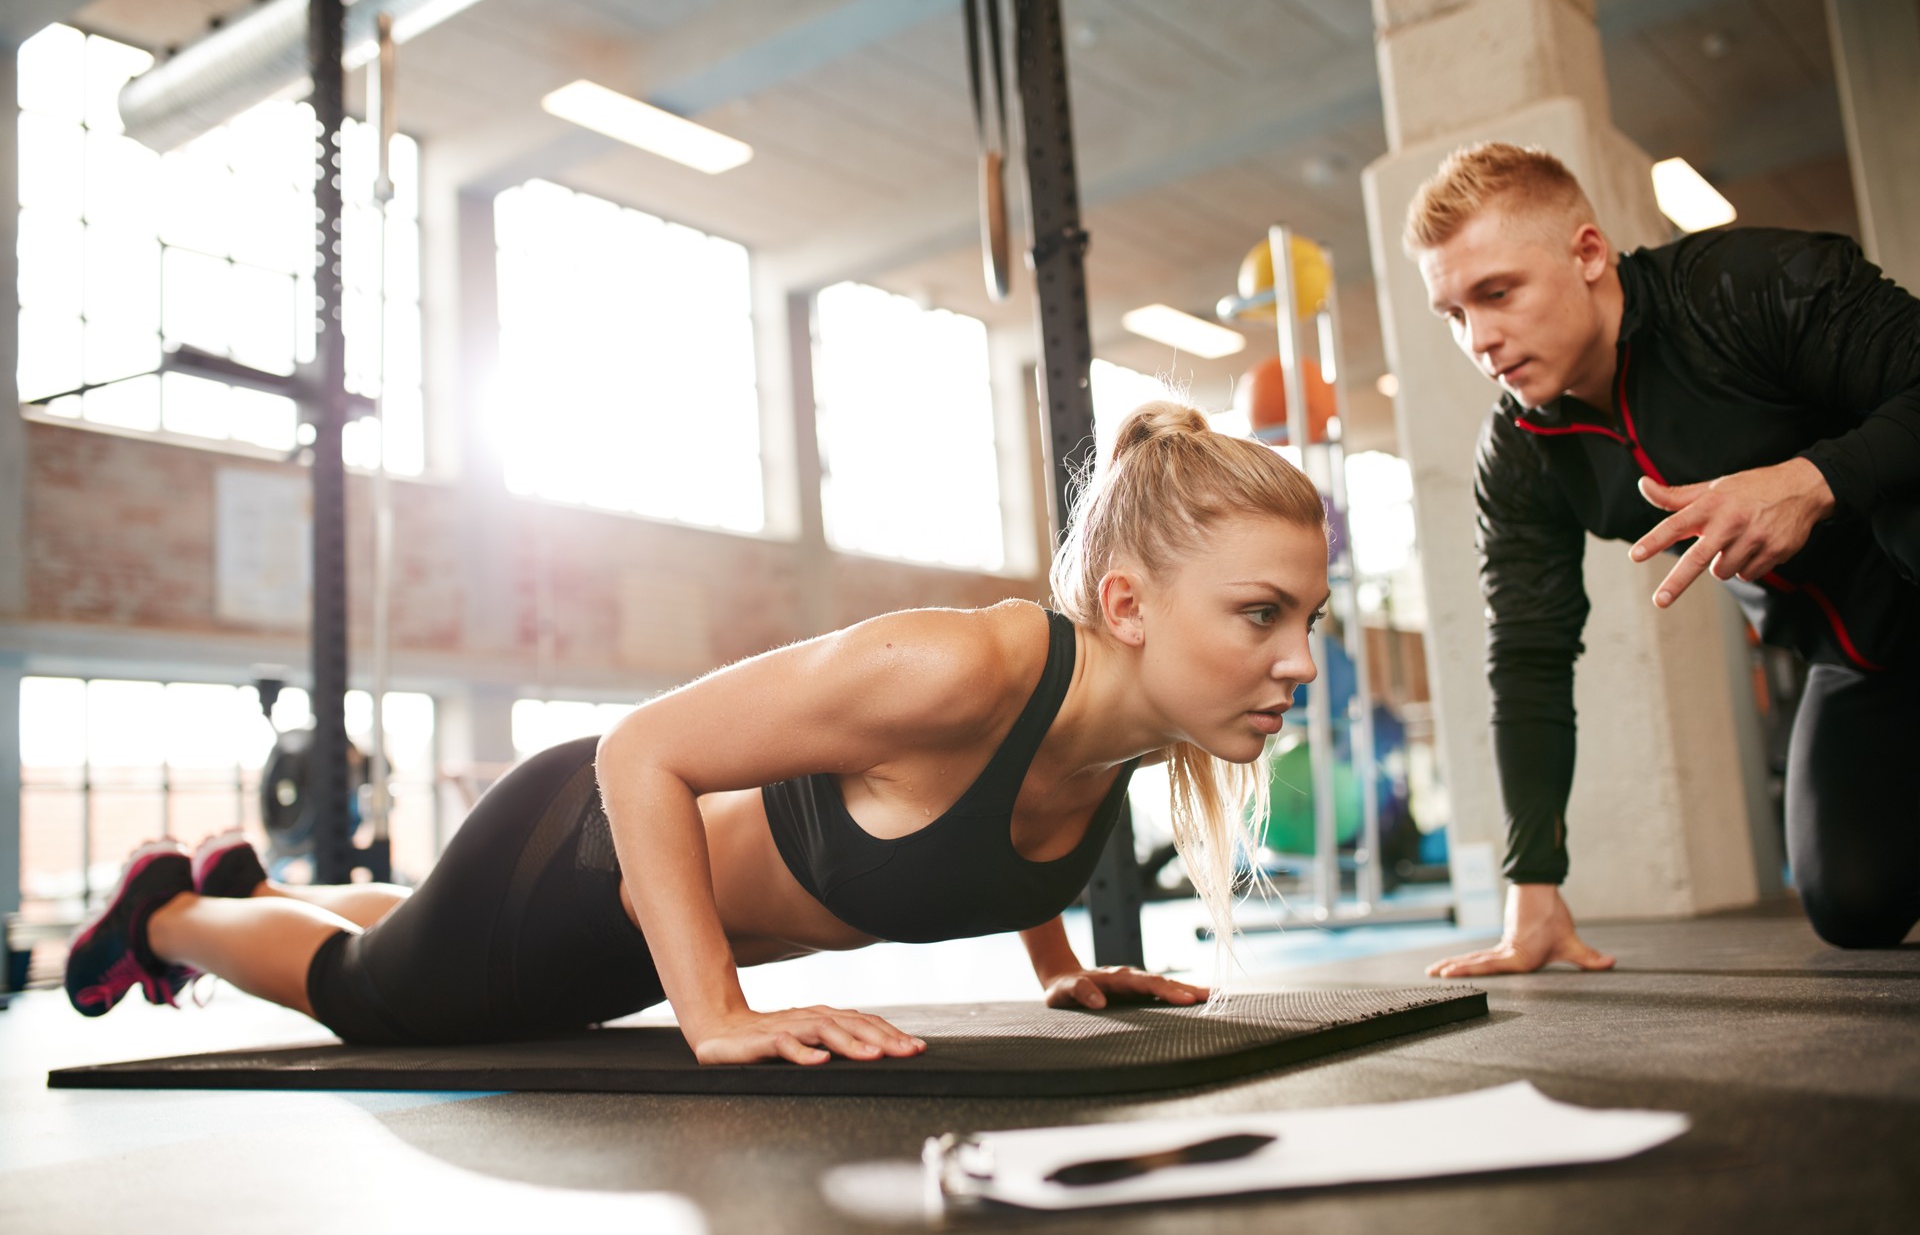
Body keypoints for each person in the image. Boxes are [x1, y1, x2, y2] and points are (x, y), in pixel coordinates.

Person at [63, 400, 1331, 1066]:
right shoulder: (957, 663)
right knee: (373, 997)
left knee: (416, 924)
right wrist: (713, 1011)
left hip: (644, 931)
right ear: (1127, 603)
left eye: (1311, 615)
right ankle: (171, 907)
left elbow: (996, 818)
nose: (1303, 658)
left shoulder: (1131, 727)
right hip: (585, 865)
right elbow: (639, 752)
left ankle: (262, 885)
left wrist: (1056, 965)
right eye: (1263, 613)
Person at [1403, 142, 1920, 977]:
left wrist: (1814, 479)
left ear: (1588, 253)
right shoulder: (1523, 449)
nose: (1480, 339)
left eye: (1498, 293)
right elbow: (1529, 652)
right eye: (1455, 313)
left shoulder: (1746, 285)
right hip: (1860, 661)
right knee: (1853, 904)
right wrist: (1533, 881)